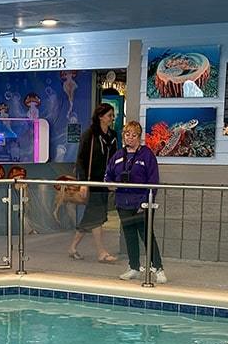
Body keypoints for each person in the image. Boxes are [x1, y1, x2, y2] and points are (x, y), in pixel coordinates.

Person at [105, 119, 167, 283]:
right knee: (130, 236)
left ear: (139, 137)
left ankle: (158, 268)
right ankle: (134, 267)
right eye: (127, 134)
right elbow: (108, 175)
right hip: (123, 203)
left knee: (147, 236)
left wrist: (145, 202)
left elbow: (153, 181)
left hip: (142, 204)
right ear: (123, 136)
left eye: (134, 135)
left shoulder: (147, 155)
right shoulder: (118, 156)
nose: (130, 138)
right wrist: (110, 185)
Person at [68, 104, 118, 262]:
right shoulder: (89, 134)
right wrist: (83, 183)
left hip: (104, 181)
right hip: (92, 181)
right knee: (96, 216)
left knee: (92, 216)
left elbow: (114, 159)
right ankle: (101, 252)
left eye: (112, 115)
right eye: (109, 115)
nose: (112, 118)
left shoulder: (113, 135)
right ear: (100, 117)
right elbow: (81, 159)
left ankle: (73, 247)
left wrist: (113, 179)